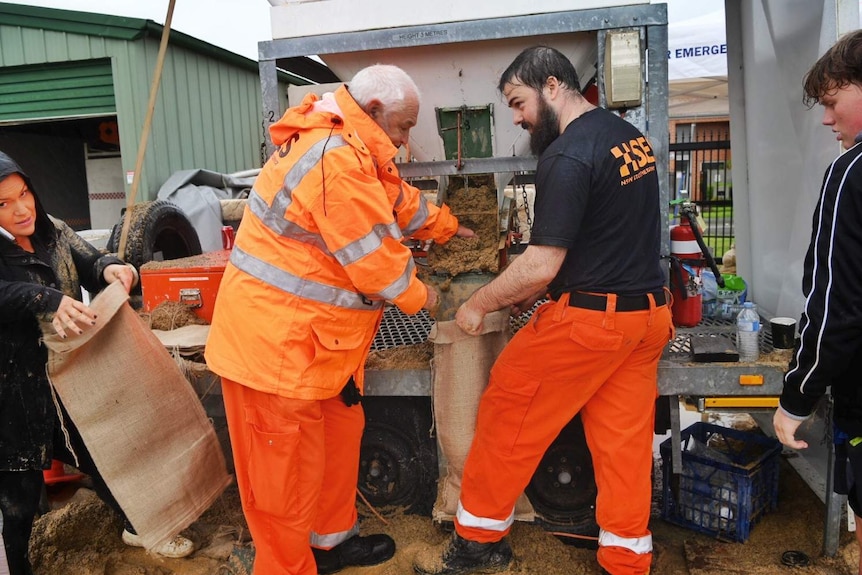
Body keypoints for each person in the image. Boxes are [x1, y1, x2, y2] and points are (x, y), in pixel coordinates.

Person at [205, 64, 474, 575]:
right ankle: (288, 567)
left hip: (316, 346)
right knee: (282, 486)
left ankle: (331, 545)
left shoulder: (348, 139)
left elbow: (392, 198)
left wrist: (447, 226)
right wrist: (435, 299)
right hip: (275, 353)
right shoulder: (335, 159)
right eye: (403, 126)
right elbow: (380, 268)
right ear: (373, 111)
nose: (405, 138)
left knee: (336, 440)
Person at [412, 46, 673, 575]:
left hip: (589, 323)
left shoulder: (566, 154)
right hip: (645, 318)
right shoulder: (629, 139)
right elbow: (605, 232)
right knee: (623, 445)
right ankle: (625, 562)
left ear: (552, 86)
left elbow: (540, 263)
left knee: (507, 412)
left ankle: (476, 546)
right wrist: (542, 288)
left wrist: (479, 305)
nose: (517, 117)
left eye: (518, 102)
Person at [0, 151, 195, 575]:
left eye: (24, 193)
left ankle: (136, 525)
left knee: (101, 455)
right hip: (13, 392)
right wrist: (46, 298)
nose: (21, 209)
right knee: (17, 499)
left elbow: (90, 262)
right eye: (3, 203)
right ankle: (18, 566)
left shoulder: (54, 233)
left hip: (66, 378)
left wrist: (112, 269)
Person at [773, 29, 862, 574]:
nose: (827, 119)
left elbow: (836, 305)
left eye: (832, 101)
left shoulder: (850, 174)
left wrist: (796, 396)